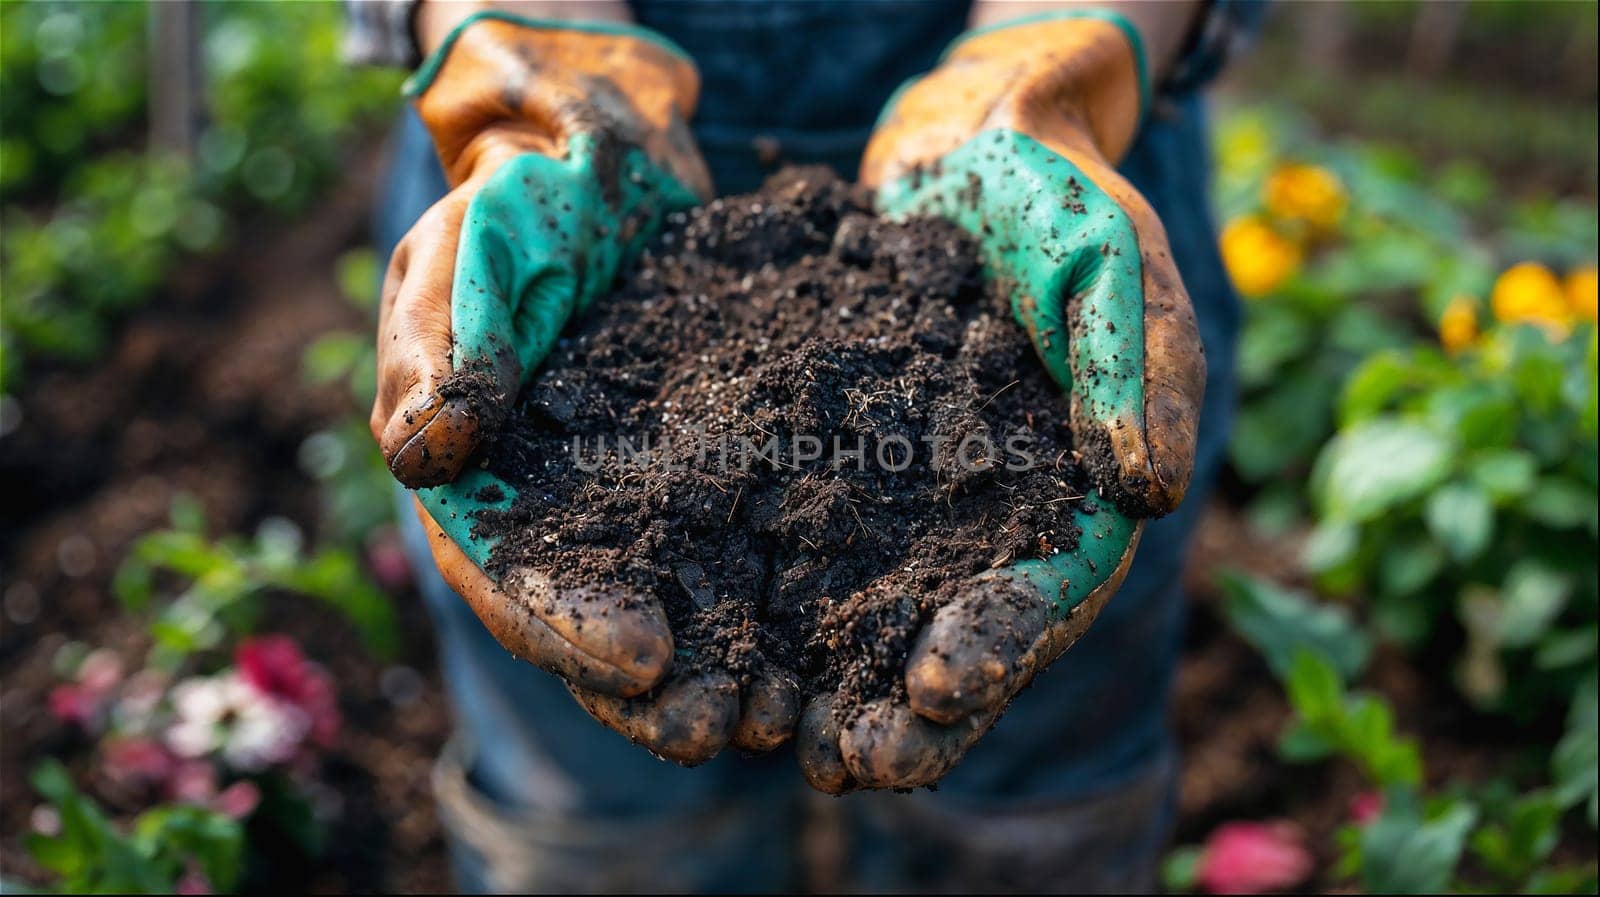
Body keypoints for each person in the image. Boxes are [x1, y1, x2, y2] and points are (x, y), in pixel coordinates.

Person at [349, 0, 1261, 891]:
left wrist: (1043, 74)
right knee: (607, 828)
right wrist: (535, 68)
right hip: (576, 186)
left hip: (1039, 175)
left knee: (1019, 812)